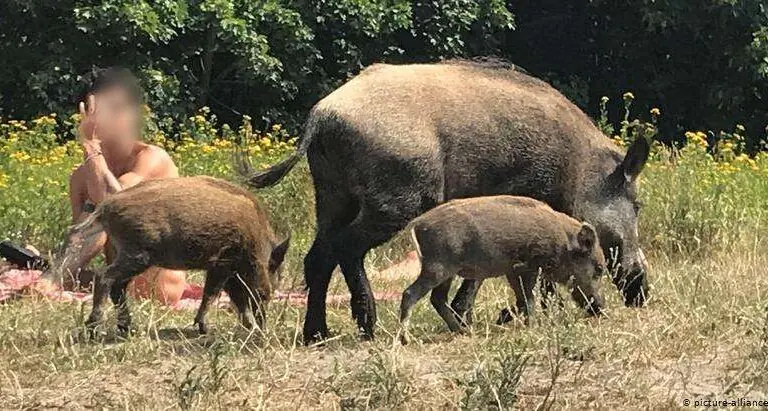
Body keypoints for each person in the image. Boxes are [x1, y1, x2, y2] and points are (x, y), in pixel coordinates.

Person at [38, 67, 187, 305]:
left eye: (119, 109)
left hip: (156, 289)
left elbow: (112, 200)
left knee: (100, 211)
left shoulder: (152, 159)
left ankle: (51, 281)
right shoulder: (80, 177)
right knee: (89, 220)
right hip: (119, 283)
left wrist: (90, 144)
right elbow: (82, 239)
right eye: (101, 110)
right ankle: (51, 280)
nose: (113, 119)